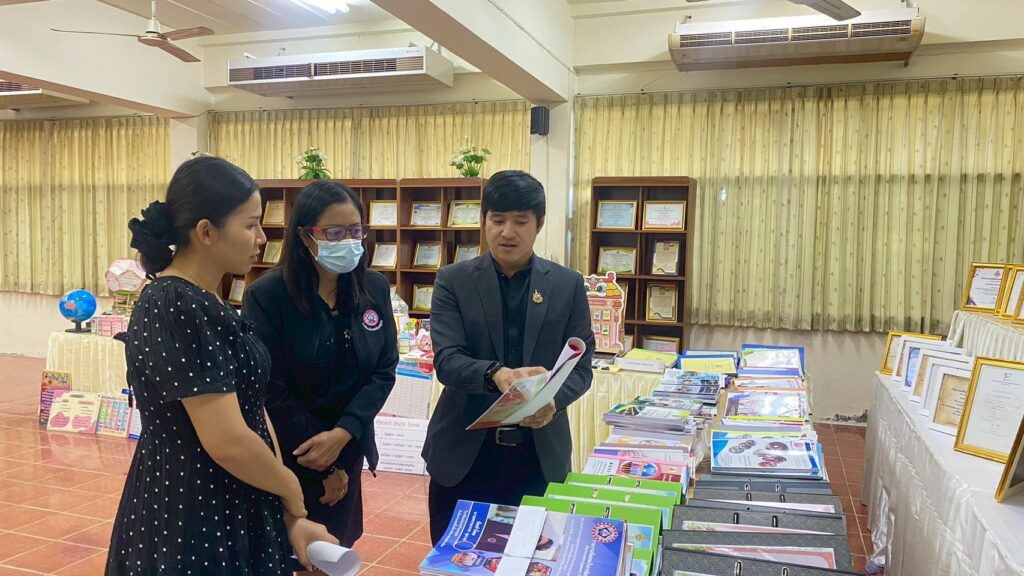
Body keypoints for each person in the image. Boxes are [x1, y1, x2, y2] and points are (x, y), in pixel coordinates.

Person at [109, 156, 336, 575]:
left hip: (236, 492)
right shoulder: (173, 302)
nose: (262, 237)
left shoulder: (209, 299)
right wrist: (289, 488)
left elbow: (252, 409)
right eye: (250, 225)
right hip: (193, 506)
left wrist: (287, 508)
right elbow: (227, 439)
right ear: (206, 232)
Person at [424, 170, 596, 543]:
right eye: (497, 220)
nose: (507, 232)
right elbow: (447, 361)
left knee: (536, 557)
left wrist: (553, 402)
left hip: (539, 457)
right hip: (464, 457)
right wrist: (496, 374)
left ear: (539, 224)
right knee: (455, 560)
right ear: (483, 220)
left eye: (520, 221)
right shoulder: (453, 281)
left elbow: (581, 367)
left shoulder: (567, 285)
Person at [243, 180, 398, 550]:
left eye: (356, 231)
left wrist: (343, 434)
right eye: (335, 232)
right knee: (289, 552)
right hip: (289, 450)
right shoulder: (267, 296)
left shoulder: (373, 287)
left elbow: (384, 368)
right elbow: (269, 387)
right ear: (305, 236)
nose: (348, 241)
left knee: (335, 552)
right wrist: (324, 463)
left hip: (349, 441)